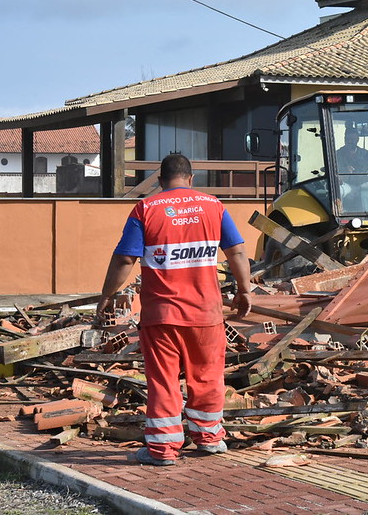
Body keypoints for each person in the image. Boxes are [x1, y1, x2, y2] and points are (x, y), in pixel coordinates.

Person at [96, 154, 252, 466]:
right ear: (190, 178)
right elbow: (236, 250)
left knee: (164, 381)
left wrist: (106, 296)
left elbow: (125, 259)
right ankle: (209, 440)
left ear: (160, 181)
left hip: (161, 316)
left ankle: (163, 451)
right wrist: (245, 290)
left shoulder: (145, 209)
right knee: (208, 377)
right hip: (206, 314)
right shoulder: (213, 206)